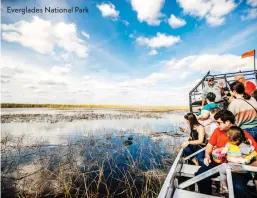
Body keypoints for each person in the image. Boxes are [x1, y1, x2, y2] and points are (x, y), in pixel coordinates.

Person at [195, 110, 257, 198]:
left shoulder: (243, 134)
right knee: (200, 176)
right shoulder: (218, 131)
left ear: (227, 122)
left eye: (219, 122)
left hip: (236, 167)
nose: (217, 124)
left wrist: (241, 163)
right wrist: (207, 156)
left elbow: (254, 154)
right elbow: (209, 145)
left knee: (238, 187)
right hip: (217, 162)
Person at [217, 126, 257, 194]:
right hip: (243, 167)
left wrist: (221, 152)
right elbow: (252, 153)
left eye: (229, 137)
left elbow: (223, 152)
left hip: (238, 167)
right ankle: (224, 186)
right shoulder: (246, 143)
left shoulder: (230, 144)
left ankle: (224, 186)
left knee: (222, 169)